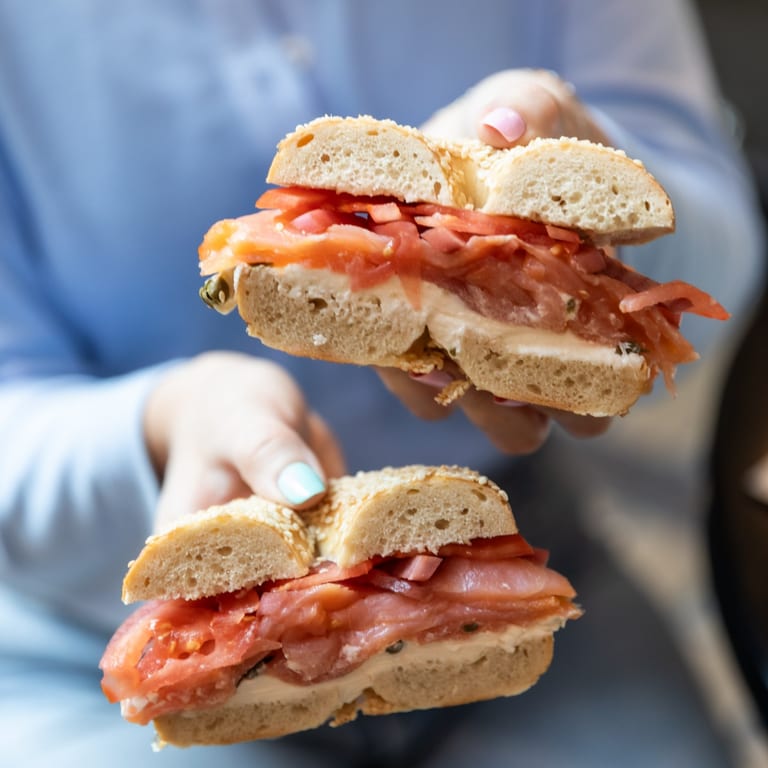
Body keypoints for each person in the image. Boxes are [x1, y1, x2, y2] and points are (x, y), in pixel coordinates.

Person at [0, 1, 763, 766]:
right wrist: (160, 423)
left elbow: (730, 260)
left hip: (504, 541)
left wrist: (596, 176)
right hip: (84, 608)